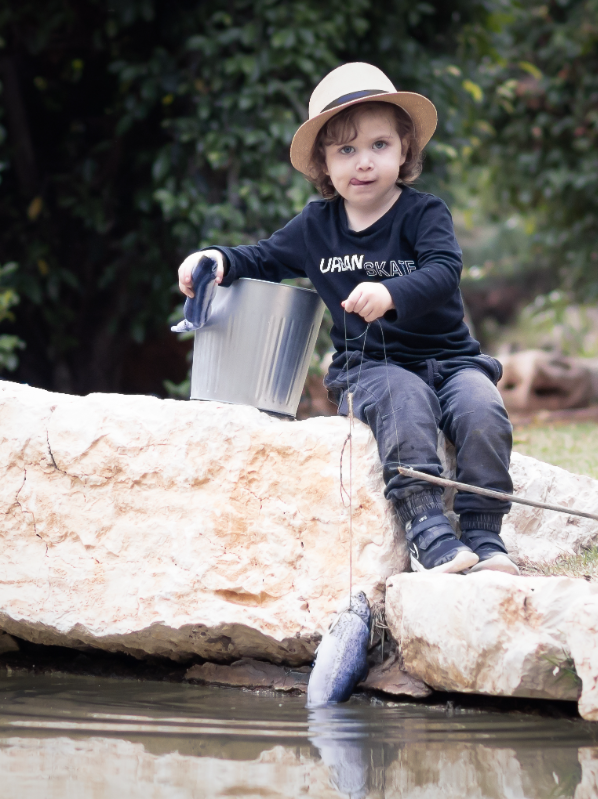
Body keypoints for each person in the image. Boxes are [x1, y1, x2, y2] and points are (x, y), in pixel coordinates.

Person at [177, 62, 517, 576]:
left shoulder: (424, 214)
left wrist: (391, 291)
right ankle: (427, 528)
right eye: (346, 150)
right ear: (324, 163)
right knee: (404, 402)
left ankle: (485, 532)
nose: (364, 162)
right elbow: (263, 257)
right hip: (371, 367)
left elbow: (444, 271)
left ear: (404, 149)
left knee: (482, 409)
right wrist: (217, 258)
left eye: (380, 145)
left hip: (450, 359)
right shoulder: (317, 226)